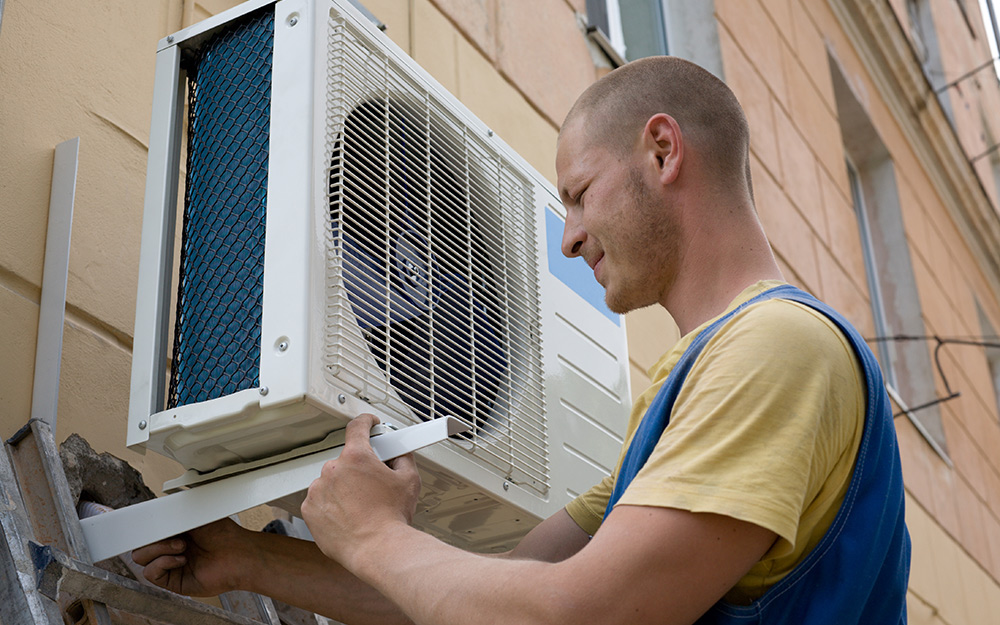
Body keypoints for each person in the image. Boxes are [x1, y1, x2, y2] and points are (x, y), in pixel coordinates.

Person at [133, 56, 910, 624]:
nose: (568, 239)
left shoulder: (777, 348)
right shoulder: (694, 388)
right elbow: (491, 594)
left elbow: (580, 613)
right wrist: (248, 557)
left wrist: (373, 535)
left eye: (578, 194)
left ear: (663, 151)